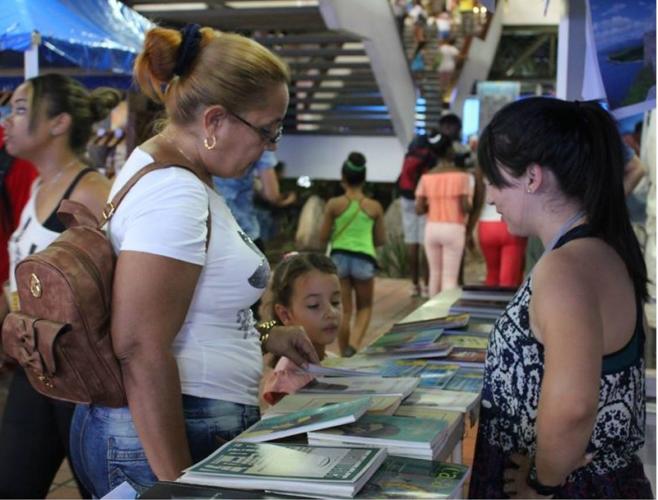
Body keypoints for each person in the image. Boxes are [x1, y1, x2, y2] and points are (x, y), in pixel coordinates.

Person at [68, 25, 319, 498]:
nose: (270, 146)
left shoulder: (177, 175)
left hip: (181, 423)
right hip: (167, 437)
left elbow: (191, 316)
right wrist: (177, 484)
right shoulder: (175, 193)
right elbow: (139, 346)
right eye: (267, 130)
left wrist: (268, 334)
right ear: (215, 121)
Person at [469, 97, 652, 498]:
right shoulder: (599, 250)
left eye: (494, 179)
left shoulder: (563, 270)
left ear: (532, 177)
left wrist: (543, 483)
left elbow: (573, 405)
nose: (491, 196)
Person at [0, 74, 119, 499]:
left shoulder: (91, 192)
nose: (7, 121)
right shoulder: (36, 185)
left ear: (58, 123)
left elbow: (119, 285)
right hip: (35, 369)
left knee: (98, 490)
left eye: (17, 109)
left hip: (81, 378)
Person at [319, 152, 386, 357]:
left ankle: (343, 353)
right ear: (364, 179)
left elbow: (322, 236)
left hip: (339, 258)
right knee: (364, 307)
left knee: (344, 310)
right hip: (364, 259)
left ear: (343, 178)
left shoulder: (334, 204)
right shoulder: (374, 207)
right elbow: (380, 240)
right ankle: (354, 347)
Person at [261, 252, 342, 405]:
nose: (331, 313)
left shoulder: (331, 359)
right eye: (314, 305)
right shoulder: (286, 383)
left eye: (335, 301)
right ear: (285, 315)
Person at [415, 133, 473, 297]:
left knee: (434, 275)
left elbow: (419, 209)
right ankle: (446, 317)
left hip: (432, 228)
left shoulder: (426, 177)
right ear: (449, 150)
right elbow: (465, 207)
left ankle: (432, 316)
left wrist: (433, 203)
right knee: (450, 278)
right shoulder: (462, 176)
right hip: (454, 228)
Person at [214, 150, 295, 252]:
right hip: (244, 229)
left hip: (214, 229)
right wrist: (288, 199)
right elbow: (271, 195)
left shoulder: (209, 142)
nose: (273, 146)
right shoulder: (262, 146)